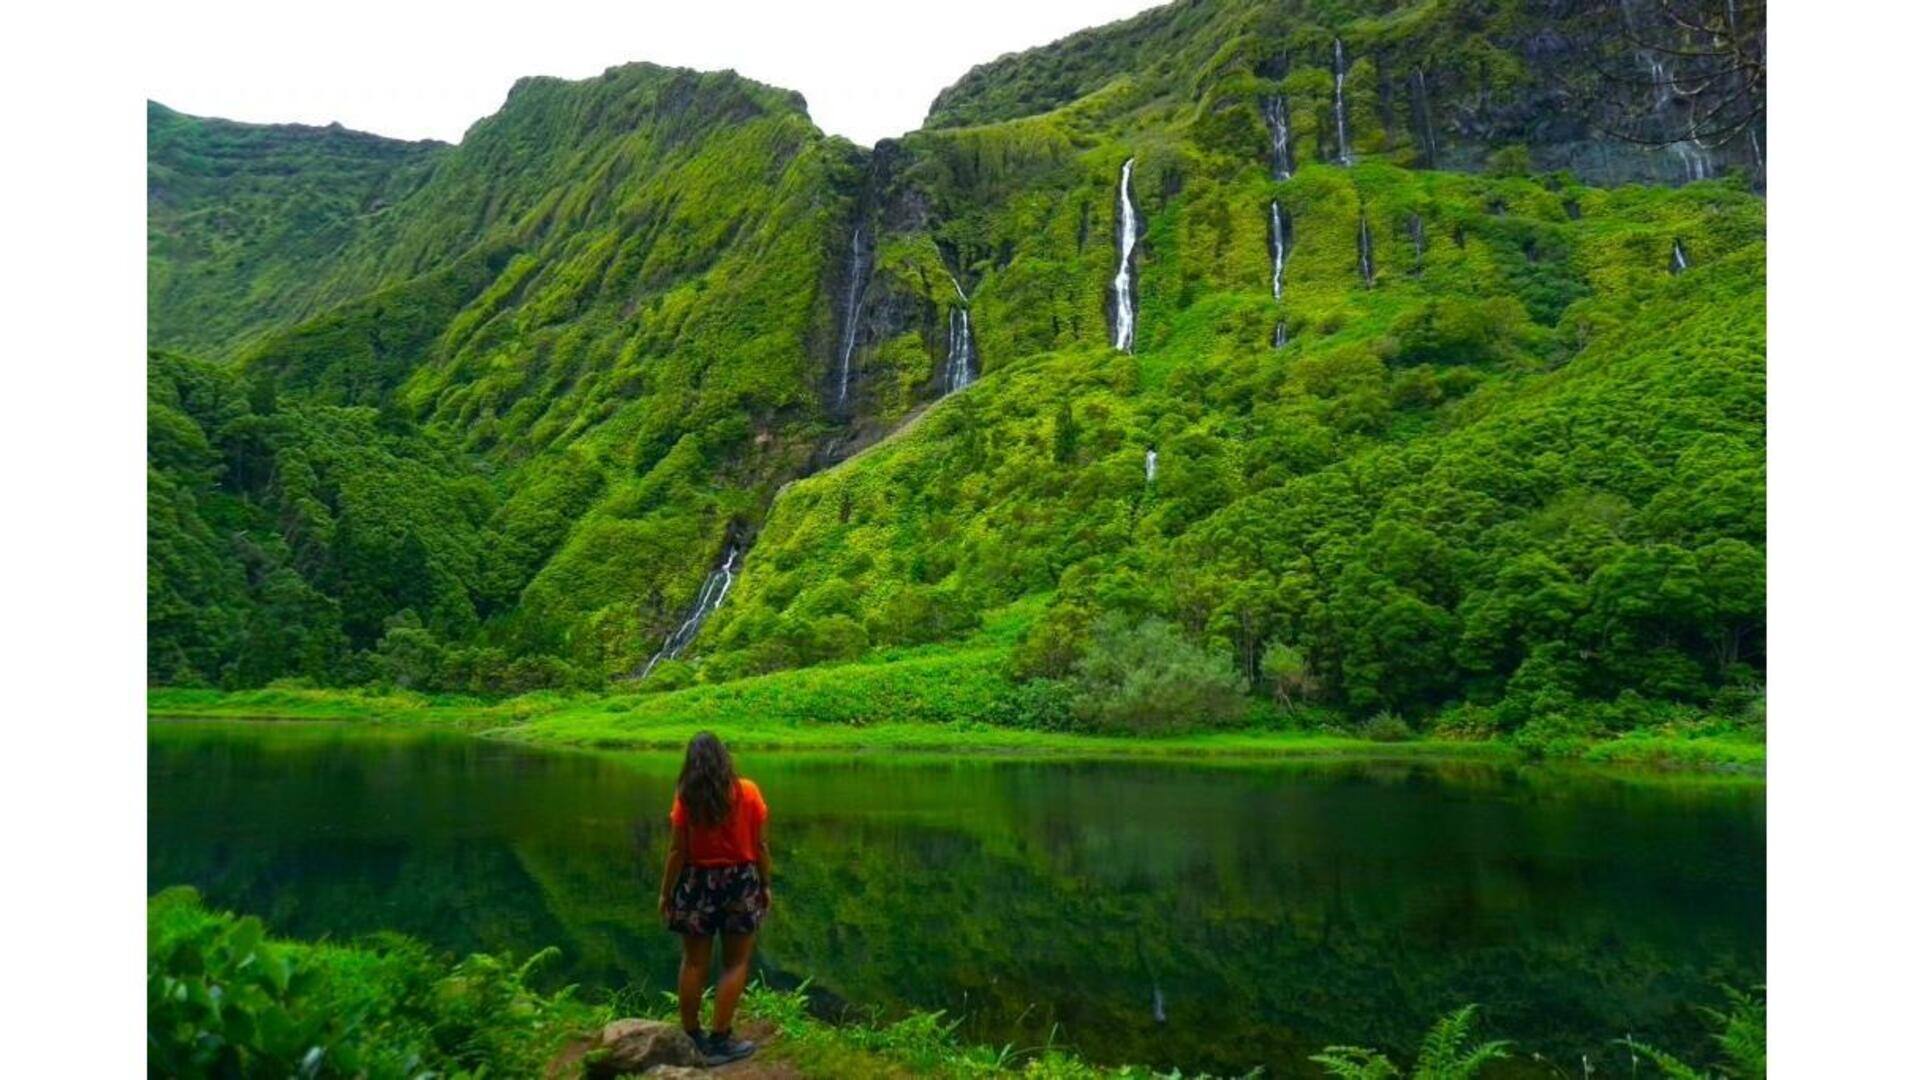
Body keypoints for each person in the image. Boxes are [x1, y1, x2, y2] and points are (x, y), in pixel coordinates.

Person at [658, 732, 770, 1065]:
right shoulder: (748, 791)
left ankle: (692, 1037)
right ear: (724, 758)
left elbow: (677, 851)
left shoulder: (686, 797)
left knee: (693, 962)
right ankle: (721, 1038)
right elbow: (761, 846)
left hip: (696, 883)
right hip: (741, 882)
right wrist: (765, 883)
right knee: (735, 962)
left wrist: (666, 893)